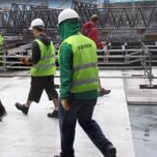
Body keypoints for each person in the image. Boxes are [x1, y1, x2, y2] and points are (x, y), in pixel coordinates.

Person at [56, 8, 116, 157]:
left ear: (63, 26)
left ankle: (67, 154)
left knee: (67, 126)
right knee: (87, 122)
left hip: (73, 95)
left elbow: (66, 74)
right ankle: (107, 147)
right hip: (91, 93)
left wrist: (64, 96)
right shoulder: (89, 42)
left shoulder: (67, 45)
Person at [15, 18, 59, 118]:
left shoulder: (37, 43)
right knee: (52, 90)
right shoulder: (50, 41)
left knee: (33, 91)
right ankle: (57, 109)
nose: (32, 32)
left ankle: (25, 108)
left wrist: (25, 60)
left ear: (35, 29)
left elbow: (35, 59)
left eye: (33, 29)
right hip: (49, 72)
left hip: (39, 72)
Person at [81, 14, 111, 97]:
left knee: (88, 70)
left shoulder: (85, 28)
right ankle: (99, 89)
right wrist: (102, 46)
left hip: (83, 50)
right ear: (97, 21)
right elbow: (94, 42)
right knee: (94, 70)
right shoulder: (94, 29)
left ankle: (99, 89)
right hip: (90, 51)